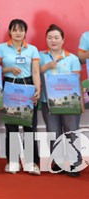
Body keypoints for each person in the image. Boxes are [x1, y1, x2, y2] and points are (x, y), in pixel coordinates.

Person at [0, 19, 41, 175]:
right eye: (15, 30)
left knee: (29, 126)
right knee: (12, 127)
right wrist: (8, 69)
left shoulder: (32, 49)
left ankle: (31, 162)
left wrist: (37, 90)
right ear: (10, 32)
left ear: (25, 32)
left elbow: (35, 71)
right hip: (9, 87)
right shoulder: (1, 48)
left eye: (21, 30)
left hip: (28, 87)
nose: (18, 33)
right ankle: (12, 161)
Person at [40, 24, 82, 177]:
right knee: (53, 133)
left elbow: (77, 80)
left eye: (56, 37)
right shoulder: (40, 56)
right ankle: (57, 162)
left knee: (71, 131)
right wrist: (46, 67)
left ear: (63, 40)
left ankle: (74, 164)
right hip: (48, 102)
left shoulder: (72, 59)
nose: (53, 40)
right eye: (50, 37)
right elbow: (33, 72)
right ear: (46, 39)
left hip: (69, 102)